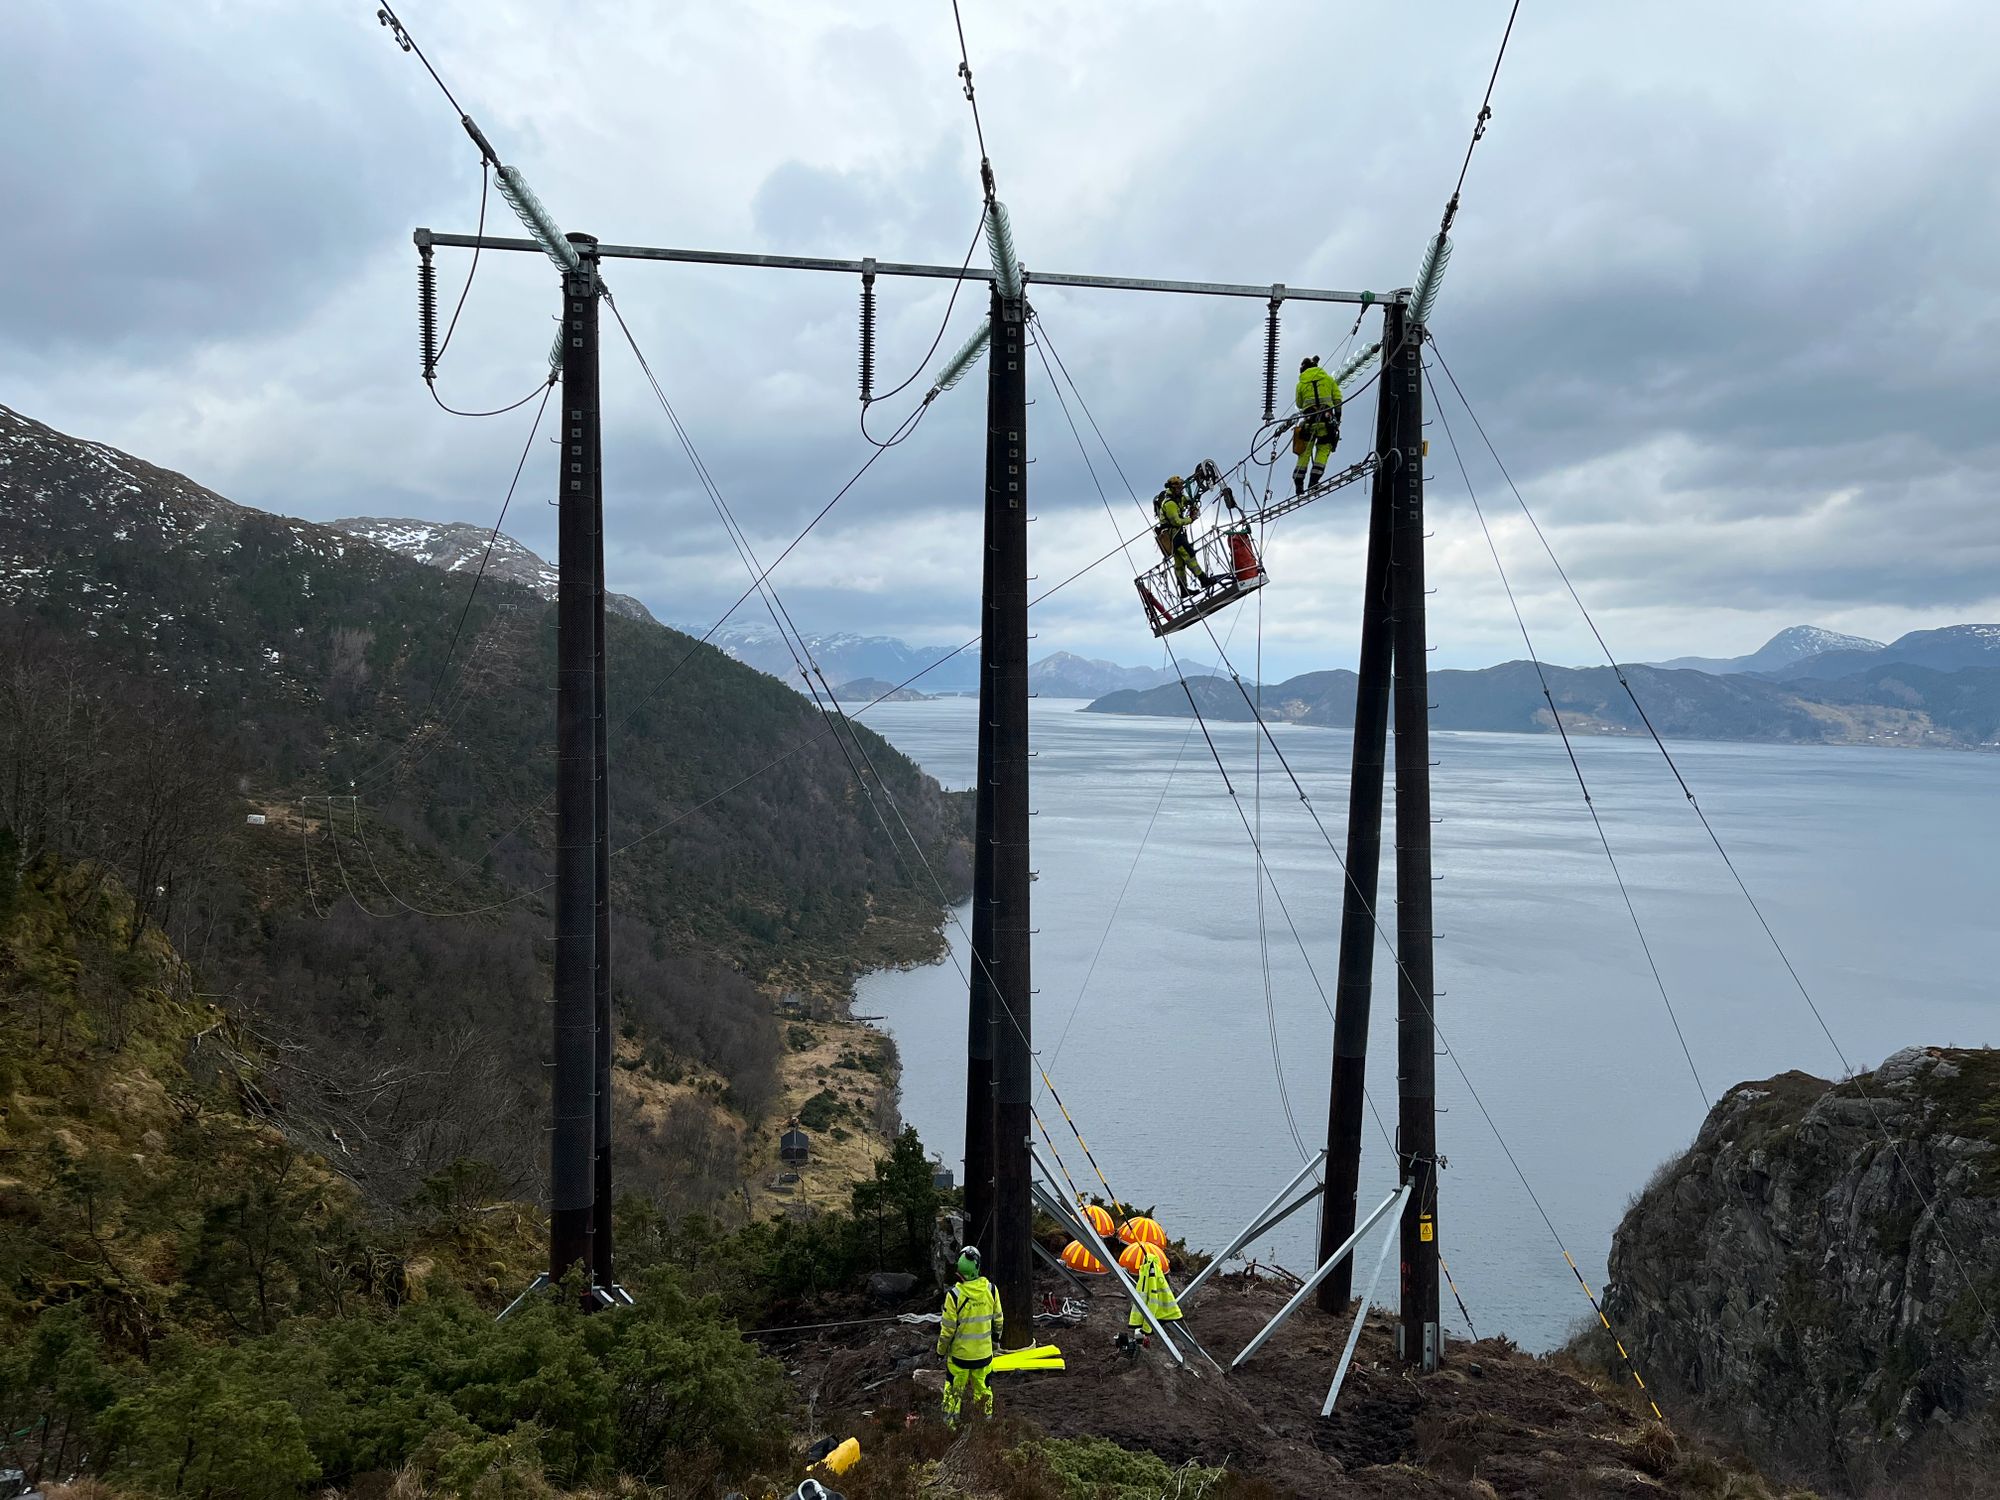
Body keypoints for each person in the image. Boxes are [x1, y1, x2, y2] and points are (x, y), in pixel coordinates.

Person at [937, 1244, 1003, 1425]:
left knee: (953, 1390)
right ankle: (984, 1425)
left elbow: (947, 1330)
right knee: (983, 1389)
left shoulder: (954, 1295)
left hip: (959, 1356)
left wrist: (940, 1351)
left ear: (959, 1271)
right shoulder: (991, 1290)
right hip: (983, 1355)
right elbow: (998, 1321)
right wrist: (995, 1341)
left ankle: (950, 1425)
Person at [1154, 476, 1213, 596]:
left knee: (1179, 564)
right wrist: (1190, 519)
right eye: (1179, 487)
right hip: (1174, 535)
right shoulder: (1169, 503)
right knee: (1189, 555)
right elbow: (1176, 521)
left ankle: (1183, 590)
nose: (1181, 489)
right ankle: (1203, 580)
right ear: (1173, 488)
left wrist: (1191, 503)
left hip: (1177, 534)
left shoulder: (1178, 498)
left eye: (1181, 487)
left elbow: (1185, 500)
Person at [1292, 354, 1342, 496]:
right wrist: (1337, 418)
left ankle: (1298, 483)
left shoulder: (1301, 384)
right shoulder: (1328, 379)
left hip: (1309, 423)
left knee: (1304, 453)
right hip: (1326, 423)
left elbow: (1299, 404)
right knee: (1323, 450)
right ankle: (1314, 482)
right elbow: (1338, 400)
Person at [1127, 1244, 1184, 1338]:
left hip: (1159, 1314)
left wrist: (1146, 1327)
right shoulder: (1155, 1274)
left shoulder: (1149, 1276)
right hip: (1165, 1313)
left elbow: (1152, 1302)